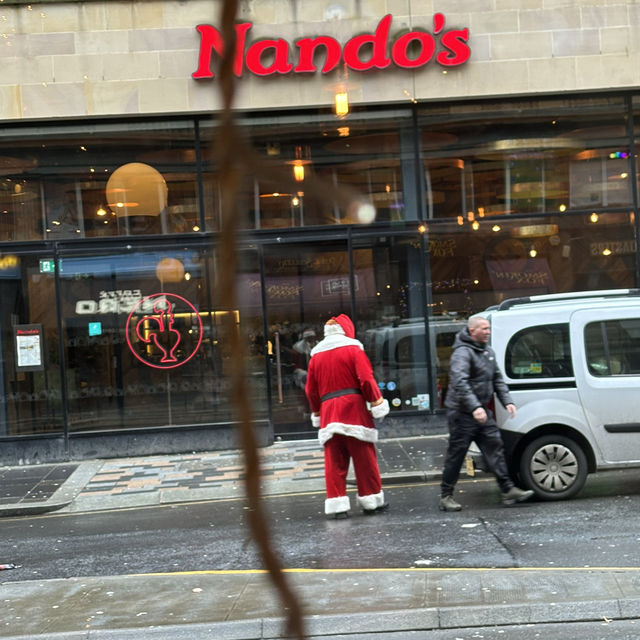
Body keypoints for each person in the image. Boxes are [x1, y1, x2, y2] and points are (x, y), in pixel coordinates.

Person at [439, 315, 534, 511]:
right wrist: (475, 408)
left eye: (489, 328)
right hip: (462, 413)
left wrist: (507, 401)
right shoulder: (462, 353)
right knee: (456, 455)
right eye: (483, 329)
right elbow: (459, 382)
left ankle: (508, 489)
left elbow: (497, 378)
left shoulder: (487, 351)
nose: (488, 332)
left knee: (495, 447)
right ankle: (446, 496)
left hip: (481, 412)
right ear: (472, 331)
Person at [305, 314, 390, 518]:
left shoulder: (316, 356)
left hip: (328, 411)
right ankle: (371, 501)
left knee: (334, 461)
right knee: (364, 459)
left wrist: (317, 411)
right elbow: (366, 379)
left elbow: (310, 390)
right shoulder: (353, 349)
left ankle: (338, 506)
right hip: (353, 409)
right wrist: (377, 402)